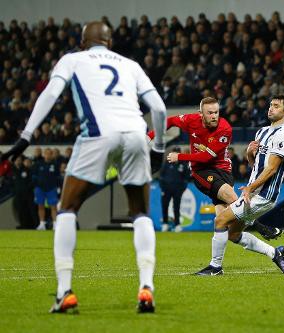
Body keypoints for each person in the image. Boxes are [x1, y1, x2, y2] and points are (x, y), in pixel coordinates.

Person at [1, 22, 167, 313]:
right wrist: (160, 147)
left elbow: (51, 94)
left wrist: (26, 135)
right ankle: (146, 288)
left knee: (66, 208)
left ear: (82, 42)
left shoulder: (73, 59)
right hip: (137, 133)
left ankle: (64, 291)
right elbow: (160, 108)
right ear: (109, 41)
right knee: (140, 212)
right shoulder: (131, 64)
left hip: (97, 134)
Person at [193, 94, 284, 275]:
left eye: (277, 106)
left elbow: (271, 169)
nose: (271, 108)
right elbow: (257, 166)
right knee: (232, 233)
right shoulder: (262, 132)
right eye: (271, 105)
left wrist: (250, 188)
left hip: (264, 195)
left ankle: (215, 267)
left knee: (220, 220)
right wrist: (249, 154)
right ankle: (275, 253)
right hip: (253, 191)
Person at [159, 97, 283, 241]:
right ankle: (262, 228)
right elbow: (170, 121)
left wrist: (180, 156)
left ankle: (274, 253)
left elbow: (207, 156)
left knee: (225, 226)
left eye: (216, 112)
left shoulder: (224, 128)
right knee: (234, 200)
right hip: (204, 172)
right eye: (210, 113)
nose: (214, 116)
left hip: (224, 171)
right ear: (201, 114)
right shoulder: (192, 122)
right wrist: (150, 136)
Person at [159, 147, 190, 232]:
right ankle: (165, 224)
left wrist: (182, 189)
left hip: (177, 189)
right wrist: (162, 187)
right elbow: (161, 175)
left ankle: (177, 225)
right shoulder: (167, 163)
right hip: (166, 189)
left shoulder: (183, 164)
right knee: (164, 206)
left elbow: (186, 177)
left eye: (177, 153)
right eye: (174, 153)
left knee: (176, 207)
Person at [32, 148, 60, 230]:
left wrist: (58, 187)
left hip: (51, 188)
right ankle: (42, 224)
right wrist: (35, 187)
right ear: (44, 154)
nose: (47, 155)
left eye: (49, 154)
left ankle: (55, 224)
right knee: (40, 206)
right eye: (46, 153)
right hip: (40, 189)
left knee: (53, 207)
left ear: (51, 155)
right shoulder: (38, 164)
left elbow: (58, 177)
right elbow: (34, 176)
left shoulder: (55, 164)